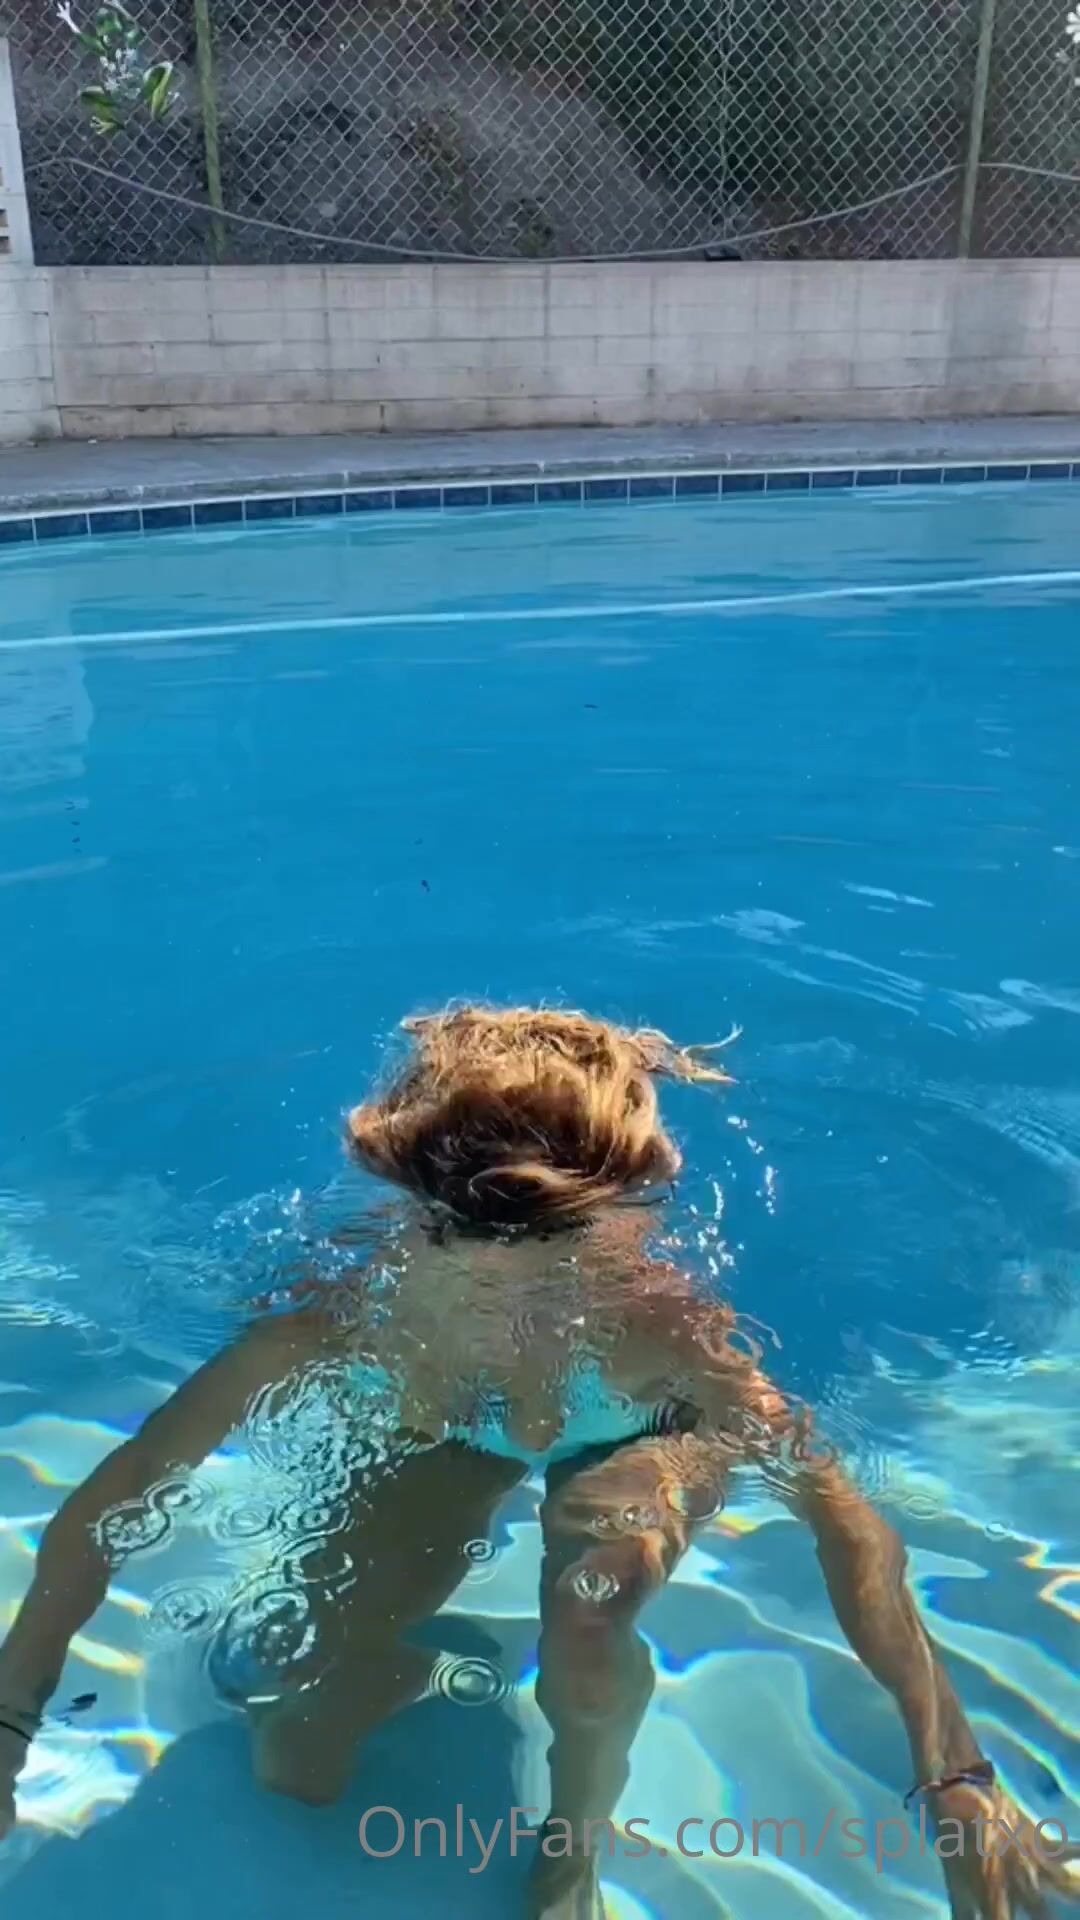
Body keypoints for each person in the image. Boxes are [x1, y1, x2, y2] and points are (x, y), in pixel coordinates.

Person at [0, 1005, 1074, 1919]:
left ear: (617, 1218)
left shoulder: (664, 1333)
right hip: (449, 1428)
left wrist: (956, 1776)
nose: (511, 1297)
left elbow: (845, 1520)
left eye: (557, 1255)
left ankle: (575, 1841)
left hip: (639, 1428)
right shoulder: (336, 1318)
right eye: (467, 1252)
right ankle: (393, 1658)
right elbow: (122, 1493)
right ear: (413, 1214)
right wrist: (12, 1714)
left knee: (589, 1611)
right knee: (294, 1756)